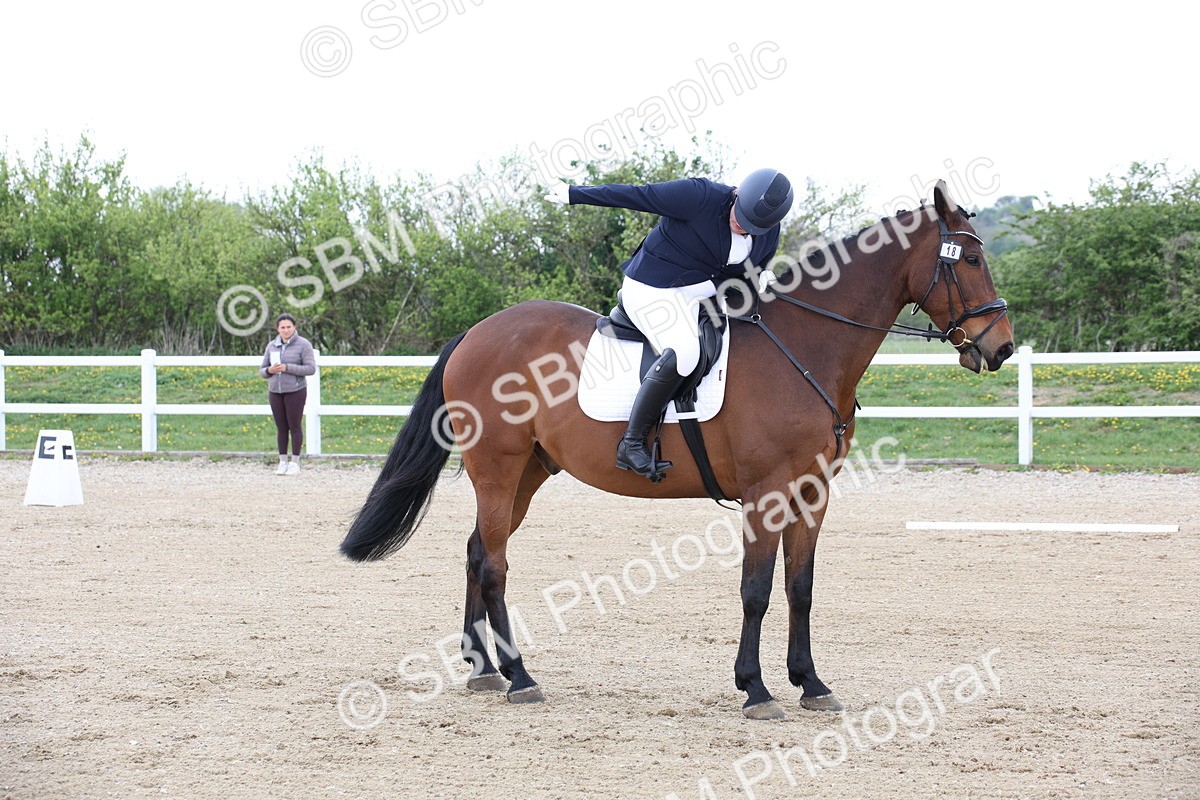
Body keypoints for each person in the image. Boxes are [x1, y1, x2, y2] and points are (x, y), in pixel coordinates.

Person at [544, 168, 794, 480]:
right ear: (737, 194)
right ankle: (631, 442)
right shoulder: (698, 196)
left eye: (752, 226)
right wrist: (574, 194)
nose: (742, 226)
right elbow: (637, 195)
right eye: (740, 216)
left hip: (705, 295)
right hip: (653, 289)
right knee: (686, 353)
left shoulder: (767, 229)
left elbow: (752, 271)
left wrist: (760, 278)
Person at [259, 313, 316, 474]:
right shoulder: (271, 346)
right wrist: (269, 371)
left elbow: (310, 368)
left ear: (294, 327)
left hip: (295, 391)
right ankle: (282, 461)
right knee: (281, 427)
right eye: (282, 327)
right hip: (275, 391)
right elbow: (262, 370)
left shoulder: (303, 345)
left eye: (288, 327)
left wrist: (287, 368)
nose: (286, 330)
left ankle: (295, 462)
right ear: (278, 329)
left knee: (294, 426)